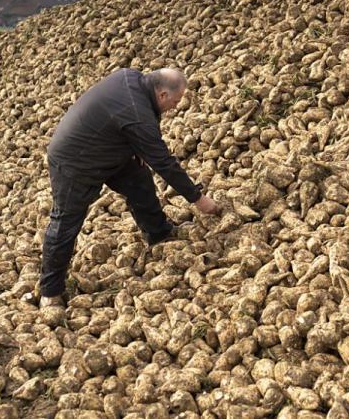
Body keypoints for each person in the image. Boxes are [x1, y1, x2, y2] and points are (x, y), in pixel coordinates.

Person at [39, 68, 219, 307]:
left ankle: (159, 232)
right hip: (75, 161)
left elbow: (118, 119)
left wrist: (136, 148)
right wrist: (198, 199)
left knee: (139, 181)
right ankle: (50, 292)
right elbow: (164, 163)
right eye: (175, 101)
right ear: (163, 94)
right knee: (66, 220)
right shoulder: (137, 113)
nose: (175, 107)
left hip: (108, 147)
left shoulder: (132, 78)